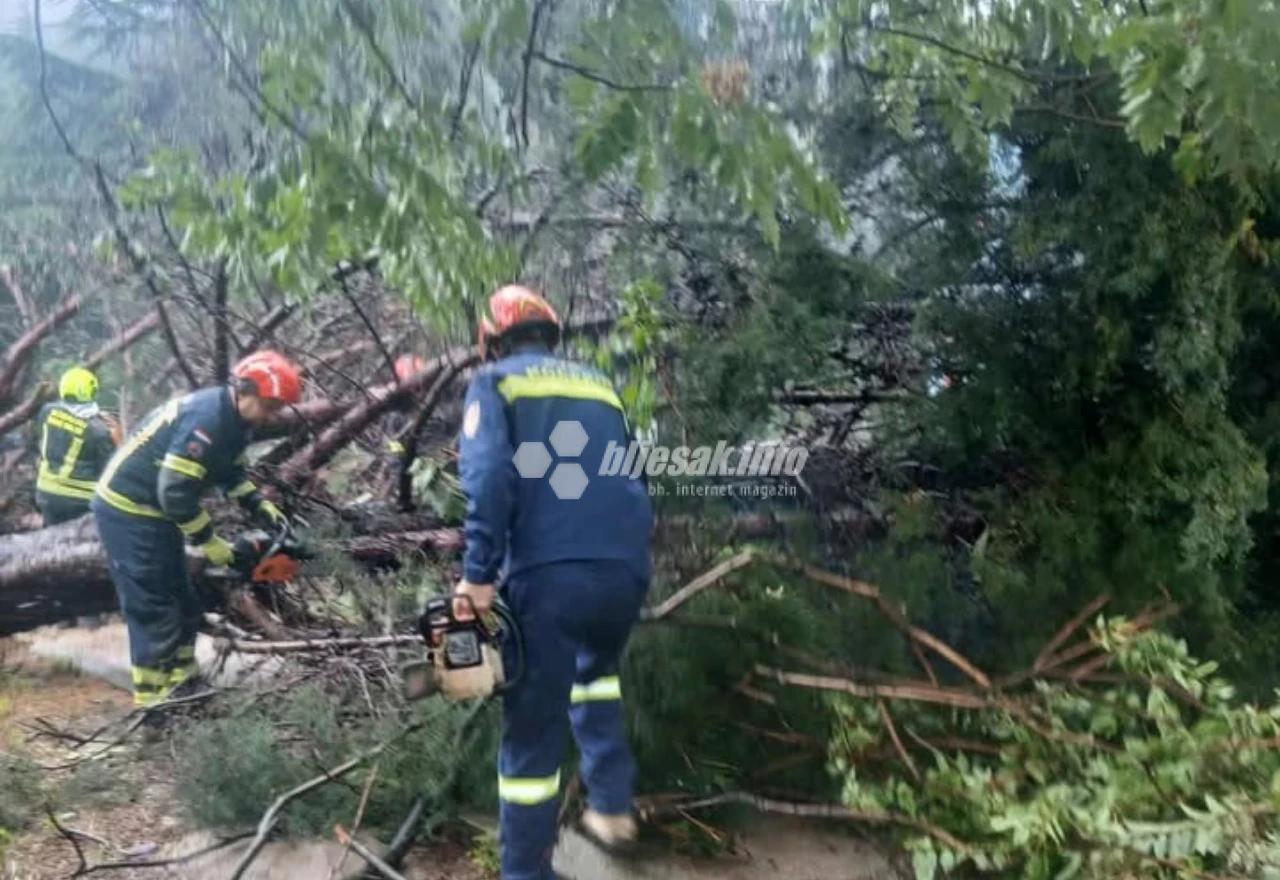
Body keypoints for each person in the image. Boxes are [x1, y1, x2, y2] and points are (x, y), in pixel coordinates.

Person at [453, 284, 653, 880]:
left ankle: (523, 873)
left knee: (532, 734)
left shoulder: (494, 384)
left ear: (491, 340)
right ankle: (613, 807)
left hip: (549, 579)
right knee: (595, 679)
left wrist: (478, 577)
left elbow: (488, 479)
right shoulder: (600, 387)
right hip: (623, 571)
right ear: (551, 334)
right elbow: (630, 473)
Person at [91, 351, 299, 707]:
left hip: (156, 512)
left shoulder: (236, 423)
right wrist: (210, 541)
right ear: (244, 390)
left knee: (184, 600)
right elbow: (173, 492)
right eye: (268, 406)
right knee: (154, 606)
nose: (270, 415)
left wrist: (256, 503)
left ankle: (185, 685)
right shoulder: (207, 420)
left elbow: (230, 471)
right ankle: (155, 706)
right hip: (128, 509)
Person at [34, 366, 118, 525]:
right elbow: (111, 471)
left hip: (45, 494)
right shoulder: (98, 430)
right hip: (80, 502)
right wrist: (116, 438)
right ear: (92, 392)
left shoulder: (46, 411)